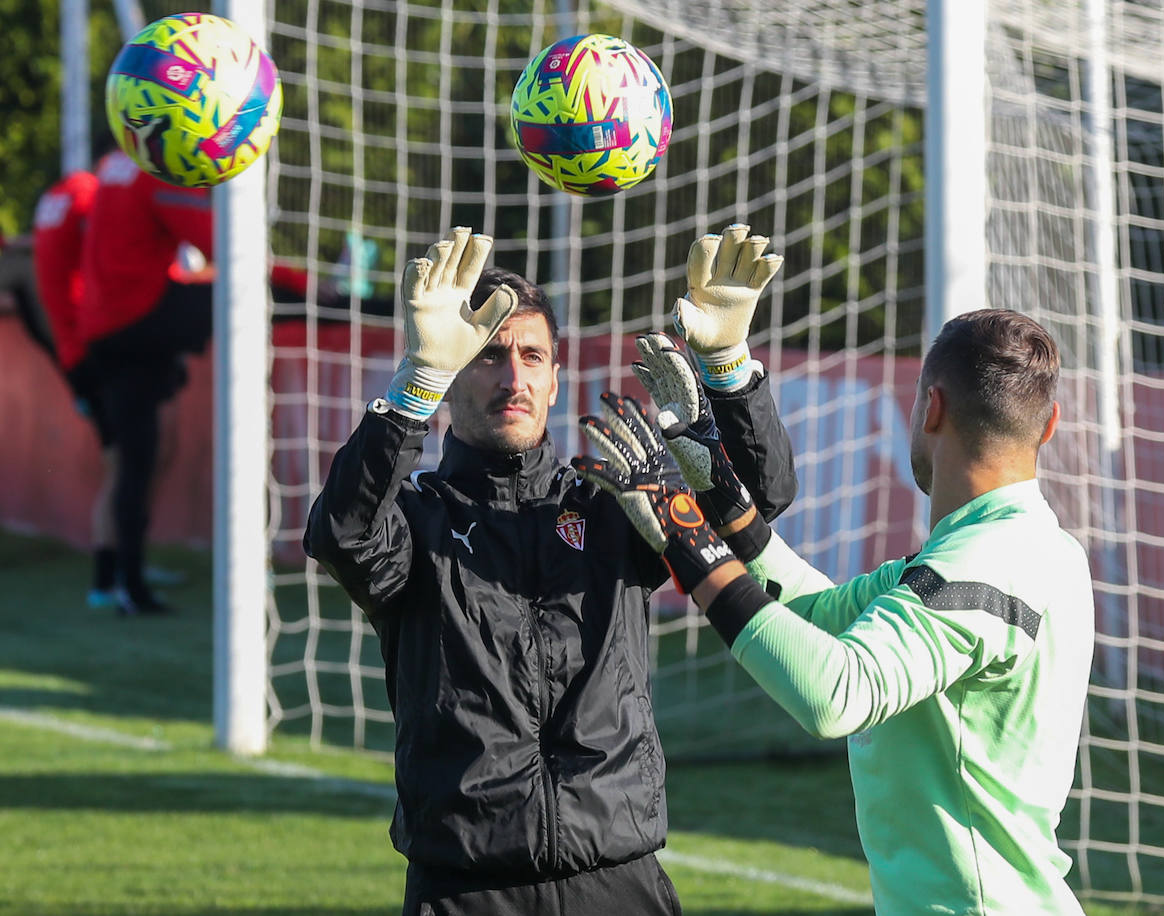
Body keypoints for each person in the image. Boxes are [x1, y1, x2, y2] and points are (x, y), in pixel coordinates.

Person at [304, 224, 795, 915]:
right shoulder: (416, 518)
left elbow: (756, 507)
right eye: (489, 355)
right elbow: (341, 536)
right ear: (451, 369)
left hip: (619, 876)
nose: (514, 377)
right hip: (466, 886)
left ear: (556, 378)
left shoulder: (612, 503)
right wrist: (415, 386)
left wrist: (728, 369)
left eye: (533, 356)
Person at [575, 308, 1095, 915]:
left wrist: (689, 544)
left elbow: (836, 693)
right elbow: (820, 616)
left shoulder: (981, 564)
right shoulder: (1034, 549)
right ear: (1049, 424)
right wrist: (712, 478)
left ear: (931, 409)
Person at [77, 147, 216, 614]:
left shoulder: (113, 167)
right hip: (134, 330)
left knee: (137, 459)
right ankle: (127, 584)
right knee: (133, 464)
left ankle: (115, 578)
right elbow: (222, 246)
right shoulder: (157, 168)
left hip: (107, 332)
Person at [30, 161, 125, 606]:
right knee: (123, 464)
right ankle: (108, 580)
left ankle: (120, 565)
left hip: (73, 354)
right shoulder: (90, 193)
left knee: (128, 460)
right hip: (93, 351)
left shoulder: (55, 196)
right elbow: (107, 257)